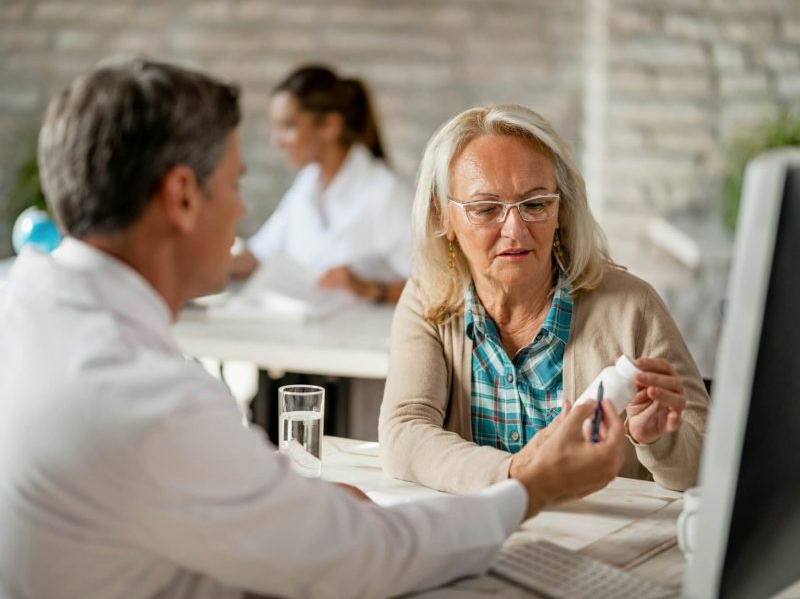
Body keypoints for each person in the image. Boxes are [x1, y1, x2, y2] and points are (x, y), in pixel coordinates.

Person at [0, 59, 627, 599]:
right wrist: (534, 484)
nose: (242, 208)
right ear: (183, 197)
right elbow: (365, 558)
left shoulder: (23, 306)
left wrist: (289, 507)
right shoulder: (147, 400)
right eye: (235, 185)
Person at [379, 104, 709, 495]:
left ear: (560, 210)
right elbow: (404, 434)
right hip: (483, 535)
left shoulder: (633, 307)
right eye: (486, 209)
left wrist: (658, 441)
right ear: (443, 218)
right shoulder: (428, 298)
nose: (515, 230)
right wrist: (521, 472)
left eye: (535, 204)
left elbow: (708, 469)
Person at [230, 65, 410, 304]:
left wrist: (370, 288)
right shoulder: (306, 185)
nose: (277, 141)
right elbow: (259, 255)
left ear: (330, 125)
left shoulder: (386, 193)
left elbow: (439, 283)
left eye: (288, 126)